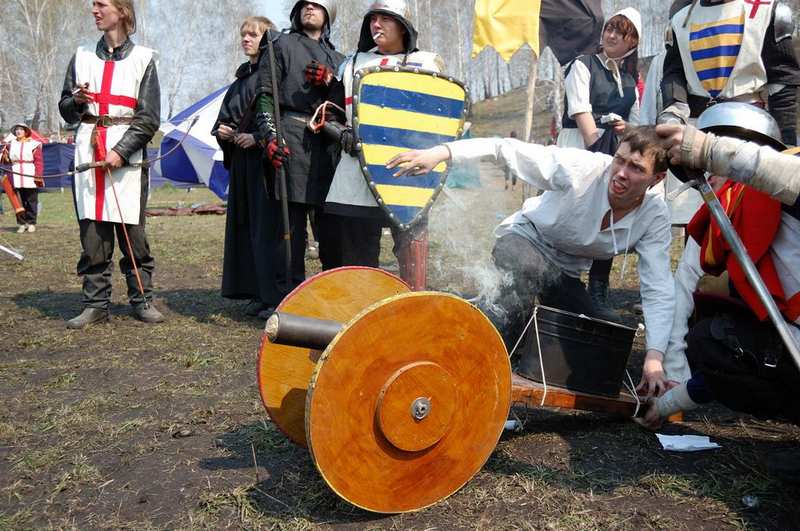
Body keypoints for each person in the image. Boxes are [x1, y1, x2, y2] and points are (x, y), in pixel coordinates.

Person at [387, 127, 675, 383]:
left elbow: (659, 288)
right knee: (518, 286)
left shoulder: (654, 216)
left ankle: (521, 335)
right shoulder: (582, 168)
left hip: (564, 272)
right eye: (619, 160)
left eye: (636, 168)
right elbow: (504, 149)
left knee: (604, 335)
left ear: (657, 178)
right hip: (526, 240)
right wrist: (441, 152)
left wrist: (655, 356)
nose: (621, 173)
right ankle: (472, 366)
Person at [640, 105, 800, 431]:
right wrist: (667, 401)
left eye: (710, 166)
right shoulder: (720, 222)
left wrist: (710, 150)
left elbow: (785, 176)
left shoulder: (789, 179)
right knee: (713, 340)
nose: (707, 175)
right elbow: (681, 297)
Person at [320, 0, 444, 289]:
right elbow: (329, 113)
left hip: (408, 170)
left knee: (412, 251)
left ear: (403, 26)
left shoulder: (427, 64)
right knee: (357, 253)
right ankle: (365, 307)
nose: (376, 24)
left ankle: (412, 305)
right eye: (372, 19)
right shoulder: (352, 64)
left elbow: (441, 115)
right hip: (357, 168)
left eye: (385, 18)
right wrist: (342, 134)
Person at [58, 0, 162, 329]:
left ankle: (142, 299)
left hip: (127, 155)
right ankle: (95, 304)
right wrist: (75, 101)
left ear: (122, 11)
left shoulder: (143, 59)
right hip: (88, 150)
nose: (94, 10)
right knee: (92, 231)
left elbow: (148, 118)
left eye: (101, 4)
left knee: (133, 232)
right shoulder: (81, 55)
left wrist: (121, 151)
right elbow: (65, 107)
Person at [254, 0, 343, 308]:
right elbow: (265, 96)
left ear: (328, 13)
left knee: (332, 231)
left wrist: (331, 82)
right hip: (290, 137)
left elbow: (347, 106)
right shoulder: (281, 44)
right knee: (288, 231)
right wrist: (271, 136)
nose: (309, 8)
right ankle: (288, 302)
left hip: (328, 145)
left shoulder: (339, 59)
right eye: (305, 4)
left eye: (317, 4)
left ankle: (333, 300)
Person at [556, 8, 642, 316]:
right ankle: (561, 284)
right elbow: (581, 112)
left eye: (621, 32)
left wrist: (624, 130)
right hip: (580, 147)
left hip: (612, 153)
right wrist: (596, 154)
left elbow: (636, 124)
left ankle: (598, 286)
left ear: (632, 42)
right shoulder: (583, 65)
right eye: (609, 28)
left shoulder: (630, 80)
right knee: (572, 213)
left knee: (609, 216)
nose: (611, 35)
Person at [213, 16, 283, 318]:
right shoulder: (240, 81)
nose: (246, 39)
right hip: (241, 164)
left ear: (267, 39)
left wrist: (257, 138)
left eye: (253, 34)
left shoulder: (275, 77)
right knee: (245, 228)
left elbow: (282, 118)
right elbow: (223, 118)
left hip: (266, 165)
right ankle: (255, 292)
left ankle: (273, 296)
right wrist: (223, 132)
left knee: (267, 231)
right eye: (244, 34)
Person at [660, 0, 800, 147]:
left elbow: (781, 81)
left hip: (751, 132)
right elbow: (674, 73)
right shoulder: (680, 20)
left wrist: (786, 142)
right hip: (695, 132)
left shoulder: (765, 12)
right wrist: (673, 113)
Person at [4, 124, 43, 233]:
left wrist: (38, 175)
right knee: (18, 201)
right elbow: (5, 160)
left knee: (31, 200)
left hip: (29, 173)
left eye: (21, 129)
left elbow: (39, 162)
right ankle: (22, 223)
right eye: (17, 129)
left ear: (26, 131)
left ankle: (31, 223)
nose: (18, 131)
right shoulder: (10, 144)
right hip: (15, 174)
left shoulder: (34, 144)